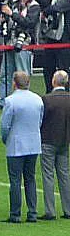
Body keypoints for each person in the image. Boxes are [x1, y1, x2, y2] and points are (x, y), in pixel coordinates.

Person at [0, 70, 44, 224]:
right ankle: (32, 212)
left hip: (16, 145)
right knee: (30, 179)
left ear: (14, 83)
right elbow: (40, 121)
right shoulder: (38, 100)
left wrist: (6, 139)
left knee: (15, 180)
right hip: (33, 144)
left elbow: (5, 125)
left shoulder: (10, 101)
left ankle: (15, 213)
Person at [39, 70, 70, 220]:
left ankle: (50, 210)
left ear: (53, 81)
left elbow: (40, 120)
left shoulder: (46, 99)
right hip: (64, 141)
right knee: (64, 176)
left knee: (48, 176)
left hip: (48, 140)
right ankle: (68, 209)